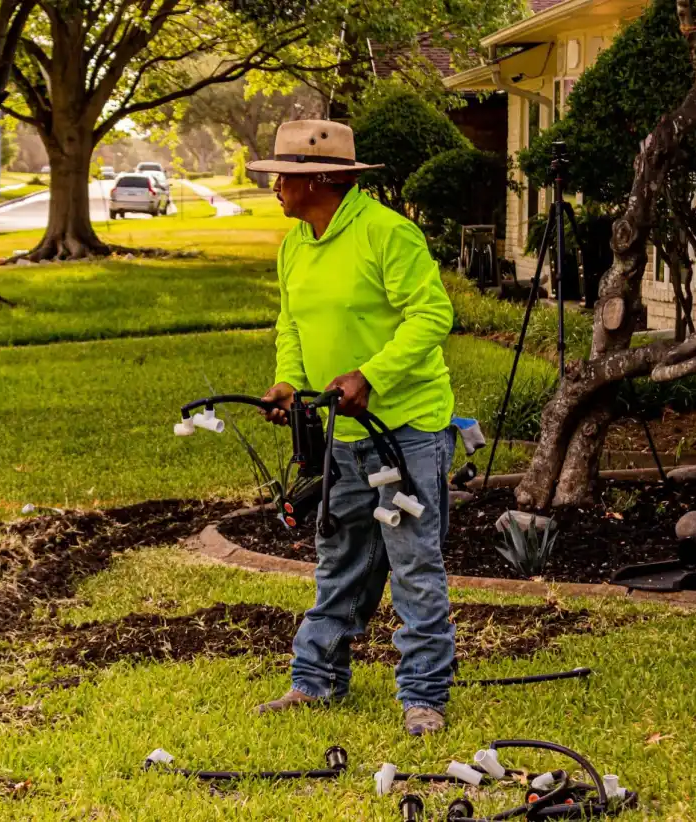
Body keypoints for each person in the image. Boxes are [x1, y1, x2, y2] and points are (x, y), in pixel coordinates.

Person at [248, 120, 457, 736]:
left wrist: (372, 373)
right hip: (342, 433)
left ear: (323, 179)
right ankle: (315, 683)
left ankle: (423, 697)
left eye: (284, 175)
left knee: (413, 562)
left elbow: (432, 314)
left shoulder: (387, 234)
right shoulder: (295, 244)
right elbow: (292, 322)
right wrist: (289, 380)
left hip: (407, 430)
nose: (275, 186)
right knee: (339, 558)